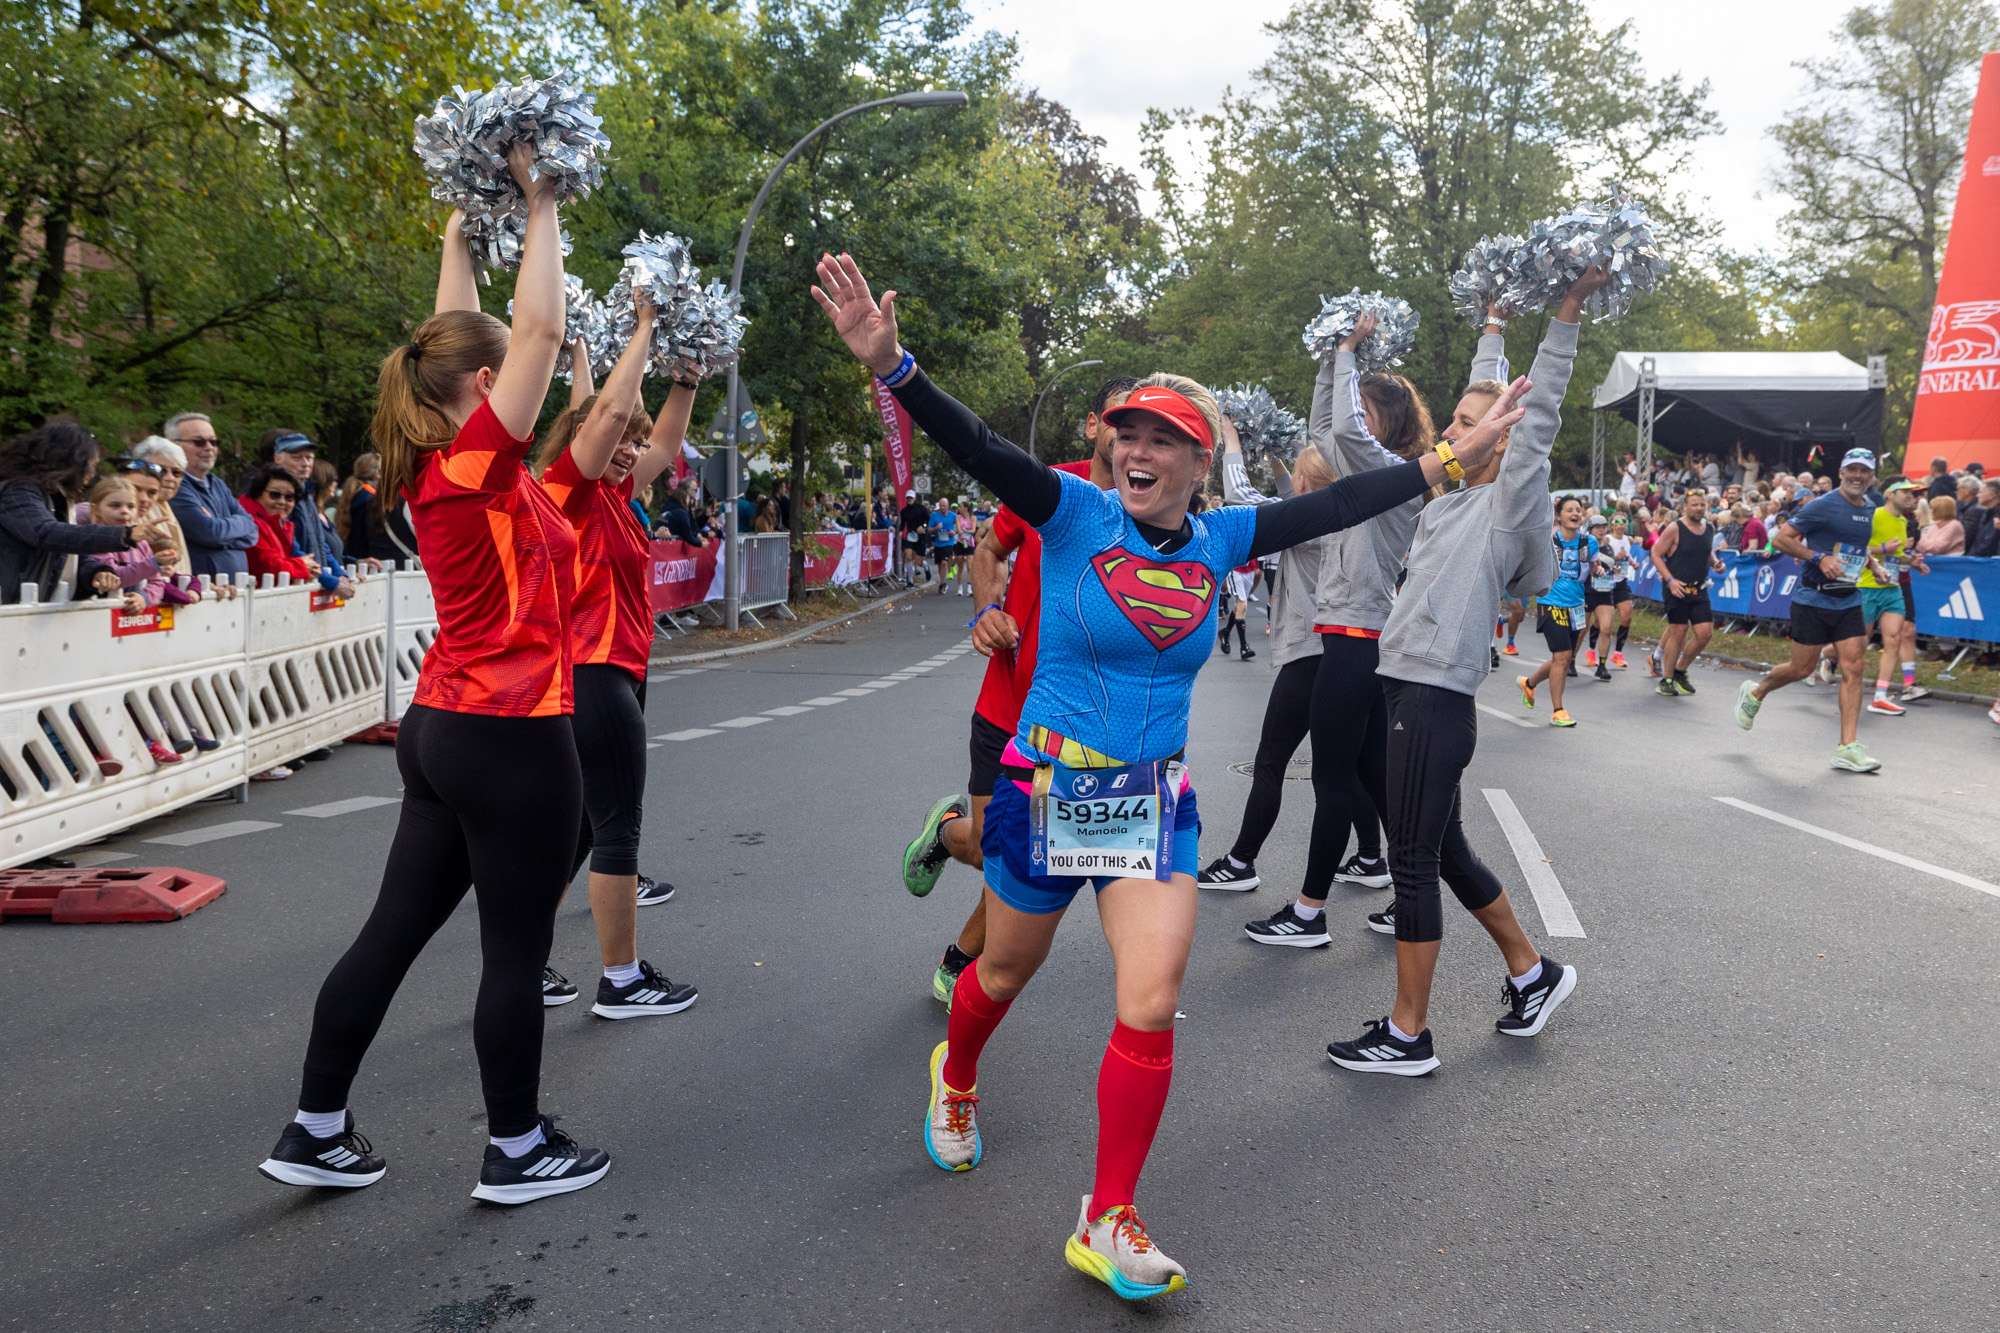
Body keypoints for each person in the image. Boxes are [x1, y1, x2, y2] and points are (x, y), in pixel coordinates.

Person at [813, 249, 1517, 1298]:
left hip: (1150, 803)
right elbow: (985, 447)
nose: (1138, 451)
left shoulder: (1222, 538)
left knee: (1148, 1000)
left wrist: (1445, 464)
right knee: (1000, 974)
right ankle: (955, 1077)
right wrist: (894, 368)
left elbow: (1333, 509)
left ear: (1199, 461)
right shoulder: (1072, 512)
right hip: (1047, 786)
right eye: (1126, 434)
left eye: (1164, 440)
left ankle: (1108, 1215)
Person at [260, 155, 609, 1206]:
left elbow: (460, 337)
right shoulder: (479, 465)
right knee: (515, 951)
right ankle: (514, 1147)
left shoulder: (434, 460)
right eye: (499, 376)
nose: (517, 384)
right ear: (478, 390)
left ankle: (315, 1124)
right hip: (506, 731)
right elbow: (535, 335)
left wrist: (463, 233)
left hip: (444, 726)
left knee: (394, 931)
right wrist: (541, 202)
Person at [1325, 274, 1609, 1078]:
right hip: (1407, 691)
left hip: (1433, 699)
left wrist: (1565, 314)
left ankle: (1408, 1033)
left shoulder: (1508, 506)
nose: (1446, 431)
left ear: (1504, 442)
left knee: (1412, 860)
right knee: (1442, 848)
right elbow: (1486, 409)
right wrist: (1493, 324)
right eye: (1449, 419)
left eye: (1462, 423)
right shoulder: (1445, 498)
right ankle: (1533, 973)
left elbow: (1536, 416)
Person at [901, 376, 1135, 1005]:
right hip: (1007, 704)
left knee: (1027, 848)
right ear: (1094, 426)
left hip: (1076, 728)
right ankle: (949, 827)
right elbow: (987, 550)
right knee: (985, 845)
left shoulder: (1153, 515)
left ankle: (961, 961)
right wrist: (985, 611)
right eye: (1122, 423)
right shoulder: (1047, 487)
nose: (1133, 441)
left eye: (1150, 432)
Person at [1237, 311, 1451, 939]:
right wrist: (1332, 353)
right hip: (1355, 641)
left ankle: (1309, 912)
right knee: (1377, 785)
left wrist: (1351, 346)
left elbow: (1343, 430)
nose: (1349, 418)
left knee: (1332, 780)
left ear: (1383, 424)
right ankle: (1411, 898)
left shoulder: (1394, 480)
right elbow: (1323, 427)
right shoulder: (1370, 477)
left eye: (1362, 409)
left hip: (1355, 644)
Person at [536, 293, 703, 1016]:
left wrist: (687, 379)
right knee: (617, 830)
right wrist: (643, 328)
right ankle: (621, 979)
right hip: (591, 674)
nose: (634, 449)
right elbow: (594, 417)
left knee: (576, 831)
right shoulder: (566, 493)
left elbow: (656, 440)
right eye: (621, 438)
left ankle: (526, 960)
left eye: (634, 441)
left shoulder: (618, 494)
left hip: (617, 674)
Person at [1733, 448, 1885, 773]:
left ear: (1871, 475)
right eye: (1852, 469)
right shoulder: (1823, 504)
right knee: (1802, 669)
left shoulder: (1871, 507)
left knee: (1854, 667)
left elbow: (1855, 547)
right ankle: (1756, 692)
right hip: (1813, 598)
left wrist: (1874, 564)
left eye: (1864, 471)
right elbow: (1780, 539)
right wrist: (1818, 558)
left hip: (1848, 597)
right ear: (1843, 472)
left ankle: (1847, 747)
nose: (1858, 476)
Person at [0, 422, 158, 604]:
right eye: (91, 465)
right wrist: (125, 534)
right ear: (72, 461)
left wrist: (95, 572)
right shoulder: (17, 491)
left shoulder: (58, 498)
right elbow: (46, 533)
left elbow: (67, 556)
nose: (92, 474)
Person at [1517, 495, 1594, 726]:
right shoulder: (1548, 541)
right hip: (1551, 603)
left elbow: (1592, 566)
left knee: (1564, 657)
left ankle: (1529, 683)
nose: (1575, 513)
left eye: (1579, 510)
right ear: (1559, 516)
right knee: (1562, 656)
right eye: (1569, 510)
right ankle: (1558, 711)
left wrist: (1599, 571)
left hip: (1577, 606)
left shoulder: (1589, 543)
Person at [1860, 479, 1930, 715]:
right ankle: (1823, 656)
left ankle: (1880, 696)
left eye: (1915, 494)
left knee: (1893, 639)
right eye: (1907, 492)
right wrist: (1882, 548)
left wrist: (1913, 563)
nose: (1913, 497)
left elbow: (1896, 556)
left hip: (1891, 588)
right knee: (1858, 643)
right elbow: (1855, 547)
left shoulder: (1903, 520)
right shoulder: (1875, 515)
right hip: (1866, 586)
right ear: (1890, 493)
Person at [1648, 488, 1726, 698]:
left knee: (1704, 634)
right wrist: (1670, 580)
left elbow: (1706, 549)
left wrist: (1716, 563)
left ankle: (1680, 671)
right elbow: (1655, 554)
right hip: (1677, 589)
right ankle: (1667, 679)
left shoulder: (1708, 526)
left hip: (1699, 589)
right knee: (1679, 631)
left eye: (1702, 505)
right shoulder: (1675, 528)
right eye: (1695, 505)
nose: (1699, 508)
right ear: (1685, 507)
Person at [165, 413, 260, 579]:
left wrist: (220, 532)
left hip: (233, 590)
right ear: (173, 445)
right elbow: (209, 532)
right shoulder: (175, 486)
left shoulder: (217, 484)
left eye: (214, 442)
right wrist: (227, 531)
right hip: (201, 591)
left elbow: (252, 530)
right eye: (199, 442)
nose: (209, 447)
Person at [1583, 514, 1637, 680]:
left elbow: (1613, 566)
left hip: (1607, 590)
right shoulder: (1586, 545)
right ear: (1590, 529)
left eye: (1603, 526)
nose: (1601, 529)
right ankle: (1572, 660)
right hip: (1586, 591)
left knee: (1607, 627)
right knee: (1581, 630)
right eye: (1597, 527)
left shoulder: (1610, 546)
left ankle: (1604, 665)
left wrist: (1616, 569)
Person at [1217, 557, 1257, 659]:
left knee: (1239, 606)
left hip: (1251, 567)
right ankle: (1244, 647)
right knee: (1242, 605)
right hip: (1235, 569)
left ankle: (1225, 633)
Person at [930, 495, 959, 594]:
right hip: (938, 544)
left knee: (944, 563)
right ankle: (942, 582)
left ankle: (942, 584)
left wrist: (954, 532)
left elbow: (960, 527)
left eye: (944, 506)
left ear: (948, 506)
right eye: (941, 505)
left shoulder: (953, 516)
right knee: (939, 565)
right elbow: (929, 530)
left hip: (948, 543)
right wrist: (935, 528)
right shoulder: (934, 516)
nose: (942, 507)